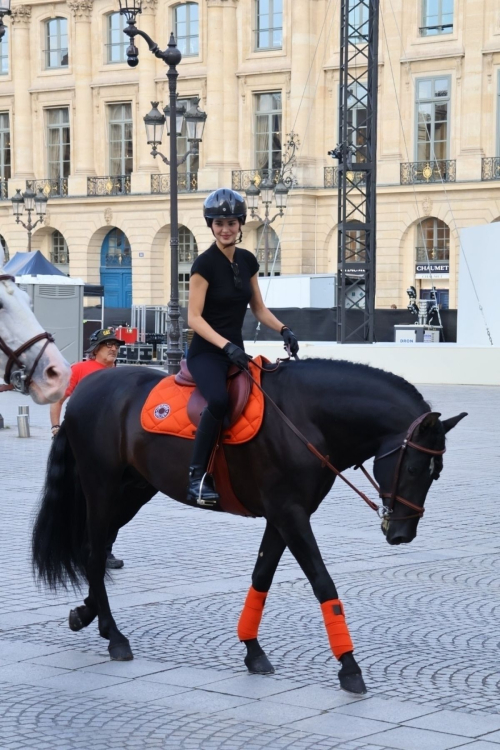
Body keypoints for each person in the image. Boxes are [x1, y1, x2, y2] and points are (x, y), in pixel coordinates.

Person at [187, 187, 299, 506]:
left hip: (234, 351)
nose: (226, 229)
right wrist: (225, 347)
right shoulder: (203, 265)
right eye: (219, 223)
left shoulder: (248, 260)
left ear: (240, 224)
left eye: (232, 223)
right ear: (210, 225)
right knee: (219, 401)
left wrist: (284, 329)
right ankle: (196, 477)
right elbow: (194, 318)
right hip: (207, 353)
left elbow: (258, 308)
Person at [49, 328, 126, 569]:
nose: (113, 348)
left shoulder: (120, 374)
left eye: (116, 345)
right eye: (107, 344)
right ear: (95, 349)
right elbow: (59, 399)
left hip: (112, 445)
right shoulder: (80, 369)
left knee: (114, 498)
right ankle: (78, 545)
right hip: (82, 441)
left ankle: (104, 549)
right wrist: (55, 427)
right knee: (81, 495)